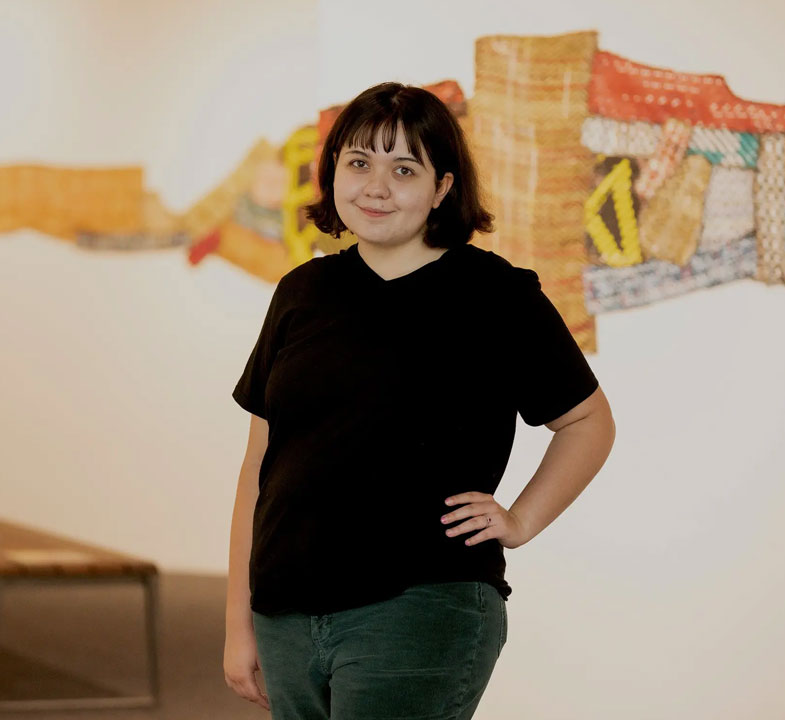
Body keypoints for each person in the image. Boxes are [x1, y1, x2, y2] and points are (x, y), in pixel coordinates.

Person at [224, 82, 616, 720]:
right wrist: (238, 621)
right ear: (332, 176)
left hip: (420, 605)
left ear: (443, 189)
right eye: (359, 163)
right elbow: (258, 471)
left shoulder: (496, 296)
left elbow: (587, 422)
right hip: (285, 611)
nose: (376, 186)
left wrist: (520, 520)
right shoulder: (302, 292)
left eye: (404, 169)